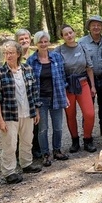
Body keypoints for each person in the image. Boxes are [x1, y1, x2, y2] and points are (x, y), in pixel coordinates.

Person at [0, 41, 42, 185]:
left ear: (18, 54)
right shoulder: (0, 73)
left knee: (27, 140)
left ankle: (26, 164)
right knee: (10, 144)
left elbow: (34, 92)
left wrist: (36, 111)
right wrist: (0, 119)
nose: (8, 55)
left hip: (28, 112)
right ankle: (9, 172)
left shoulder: (27, 69)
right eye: (6, 53)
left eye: (11, 53)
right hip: (9, 114)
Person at [27, 31, 69, 167]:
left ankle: (57, 150)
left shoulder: (56, 57)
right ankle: (45, 154)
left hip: (56, 97)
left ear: (49, 42)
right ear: (36, 44)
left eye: (45, 41)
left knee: (58, 127)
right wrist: (33, 103)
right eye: (40, 42)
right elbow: (30, 83)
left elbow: (62, 78)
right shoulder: (31, 61)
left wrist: (65, 96)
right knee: (43, 128)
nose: (43, 44)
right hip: (40, 100)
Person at [54, 24, 97, 153]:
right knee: (70, 114)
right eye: (66, 34)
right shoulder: (58, 51)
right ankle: (75, 141)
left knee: (89, 113)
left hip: (83, 83)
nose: (69, 35)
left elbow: (89, 68)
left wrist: (93, 86)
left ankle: (88, 139)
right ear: (62, 37)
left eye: (70, 32)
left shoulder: (83, 48)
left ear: (75, 33)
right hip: (67, 86)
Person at [78, 15, 102, 138]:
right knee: (88, 106)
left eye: (99, 25)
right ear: (89, 27)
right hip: (87, 79)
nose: (96, 27)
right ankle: (87, 131)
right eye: (93, 25)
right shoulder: (82, 43)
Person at [15, 29, 40, 159]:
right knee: (20, 126)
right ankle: (19, 153)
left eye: (26, 38)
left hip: (33, 95)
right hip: (18, 97)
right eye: (21, 39)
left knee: (35, 124)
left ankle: (35, 149)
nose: (24, 41)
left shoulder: (35, 54)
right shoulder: (13, 56)